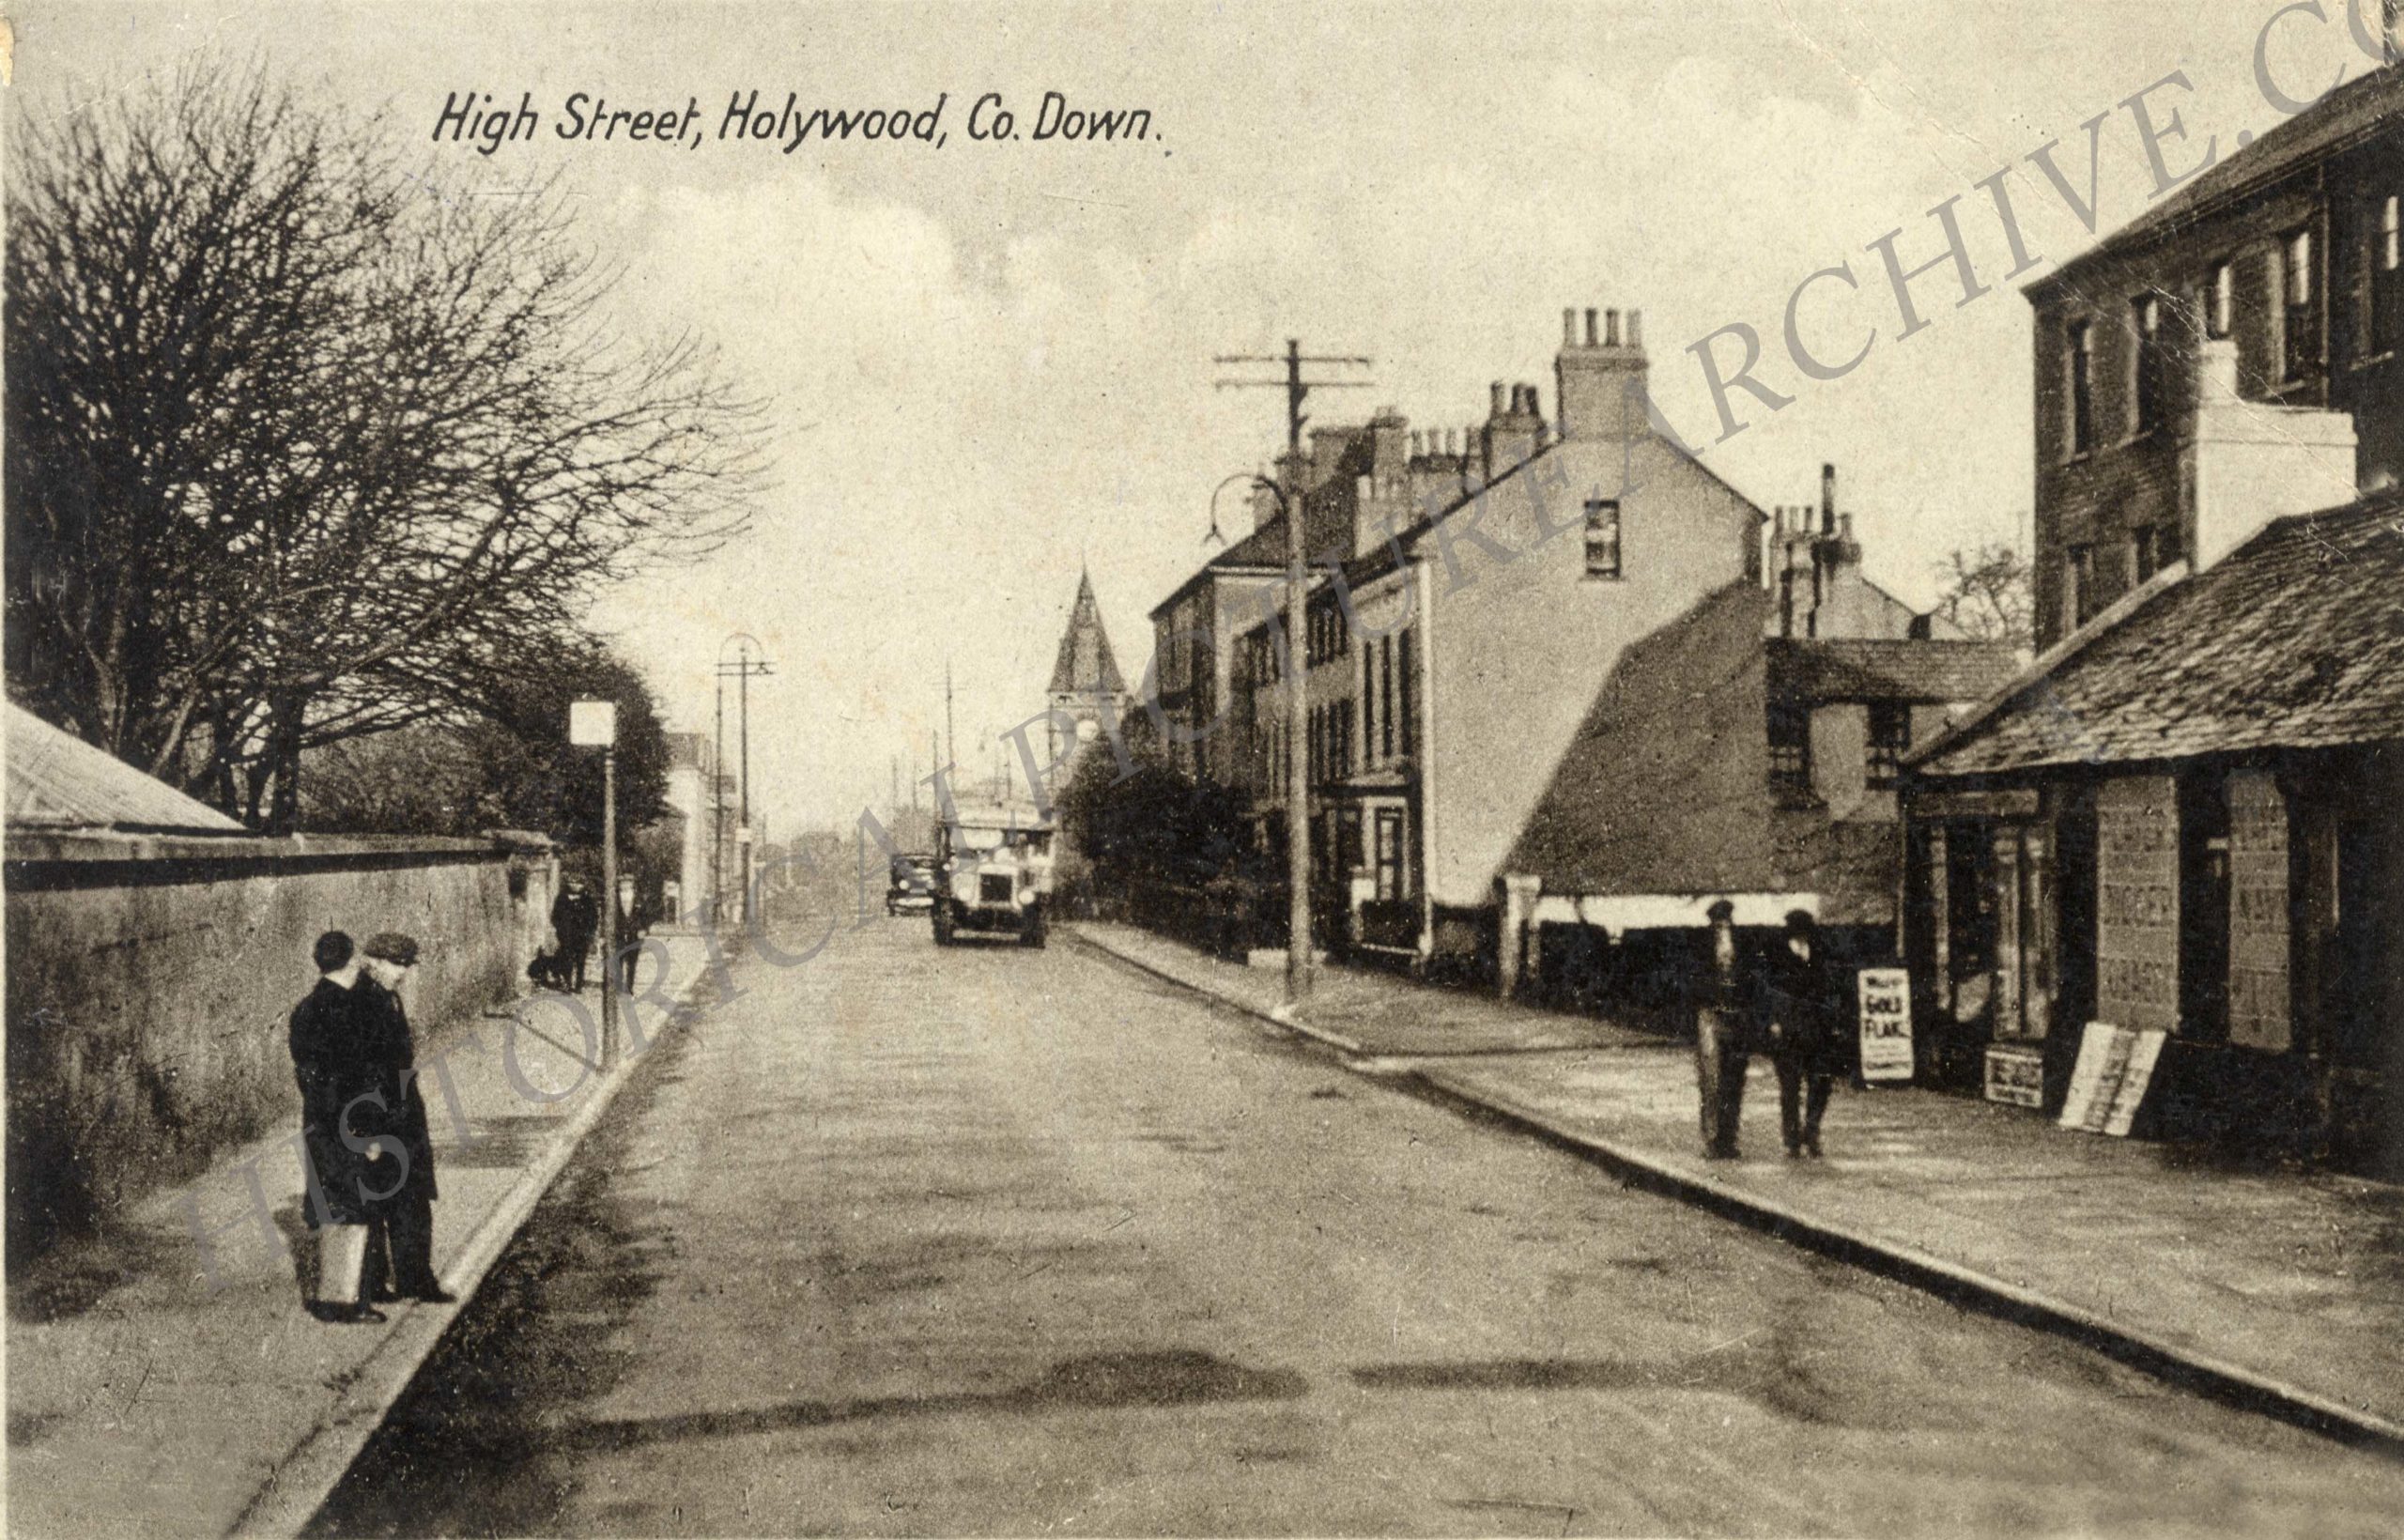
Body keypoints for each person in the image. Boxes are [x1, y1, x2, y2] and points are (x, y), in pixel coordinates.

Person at [286, 931, 385, 1323]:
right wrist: (369, 1133)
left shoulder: (305, 1009)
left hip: (317, 1119)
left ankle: (330, 1296)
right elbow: (358, 1080)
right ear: (351, 961)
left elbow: (306, 1070)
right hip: (350, 1123)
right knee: (357, 1209)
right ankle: (346, 1302)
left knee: (331, 1206)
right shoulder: (353, 1013)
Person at [355, 932, 455, 1304]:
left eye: (406, 966)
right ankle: (374, 1284)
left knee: (412, 1197)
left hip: (403, 1113)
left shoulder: (387, 998)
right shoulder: (361, 1004)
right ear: (375, 962)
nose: (403, 973)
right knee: (378, 1200)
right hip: (379, 1117)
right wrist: (366, 1131)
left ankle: (416, 1279)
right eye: (397, 965)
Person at [1761, 909, 1841, 1158]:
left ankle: (1812, 1128)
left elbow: (1830, 986)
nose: (1804, 938)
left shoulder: (1819, 952)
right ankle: (1792, 1137)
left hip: (1817, 1029)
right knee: (1790, 1086)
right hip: (1789, 1030)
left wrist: (1832, 1019)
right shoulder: (1776, 954)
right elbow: (1768, 991)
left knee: (1821, 1081)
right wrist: (1773, 1021)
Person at [1693, 899, 1750, 1160]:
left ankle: (1729, 1137)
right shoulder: (1701, 947)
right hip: (1710, 1016)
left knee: (1734, 1080)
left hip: (1736, 1018)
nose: (1722, 928)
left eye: (1725, 923)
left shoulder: (1743, 945)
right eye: (1718, 924)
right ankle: (1713, 1138)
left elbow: (1752, 980)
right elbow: (1691, 981)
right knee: (1711, 1079)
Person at [551, 878, 598, 992]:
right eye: (572, 882)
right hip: (567, 935)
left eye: (578, 883)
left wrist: (590, 931)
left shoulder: (587, 899)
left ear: (582, 885)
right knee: (567, 959)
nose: (575, 885)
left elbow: (594, 917)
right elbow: (555, 916)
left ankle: (578, 984)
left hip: (582, 935)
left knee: (581, 960)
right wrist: (560, 929)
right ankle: (567, 983)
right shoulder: (562, 898)